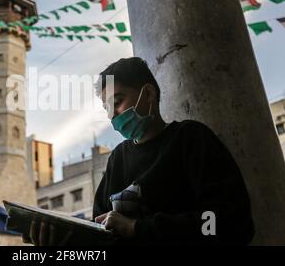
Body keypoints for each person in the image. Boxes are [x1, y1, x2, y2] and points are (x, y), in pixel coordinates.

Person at [23, 57, 254, 245]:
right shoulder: (117, 159)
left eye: (118, 101)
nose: (112, 115)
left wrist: (136, 228)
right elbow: (99, 235)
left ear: (149, 94)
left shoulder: (191, 140)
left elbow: (226, 222)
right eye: (107, 107)